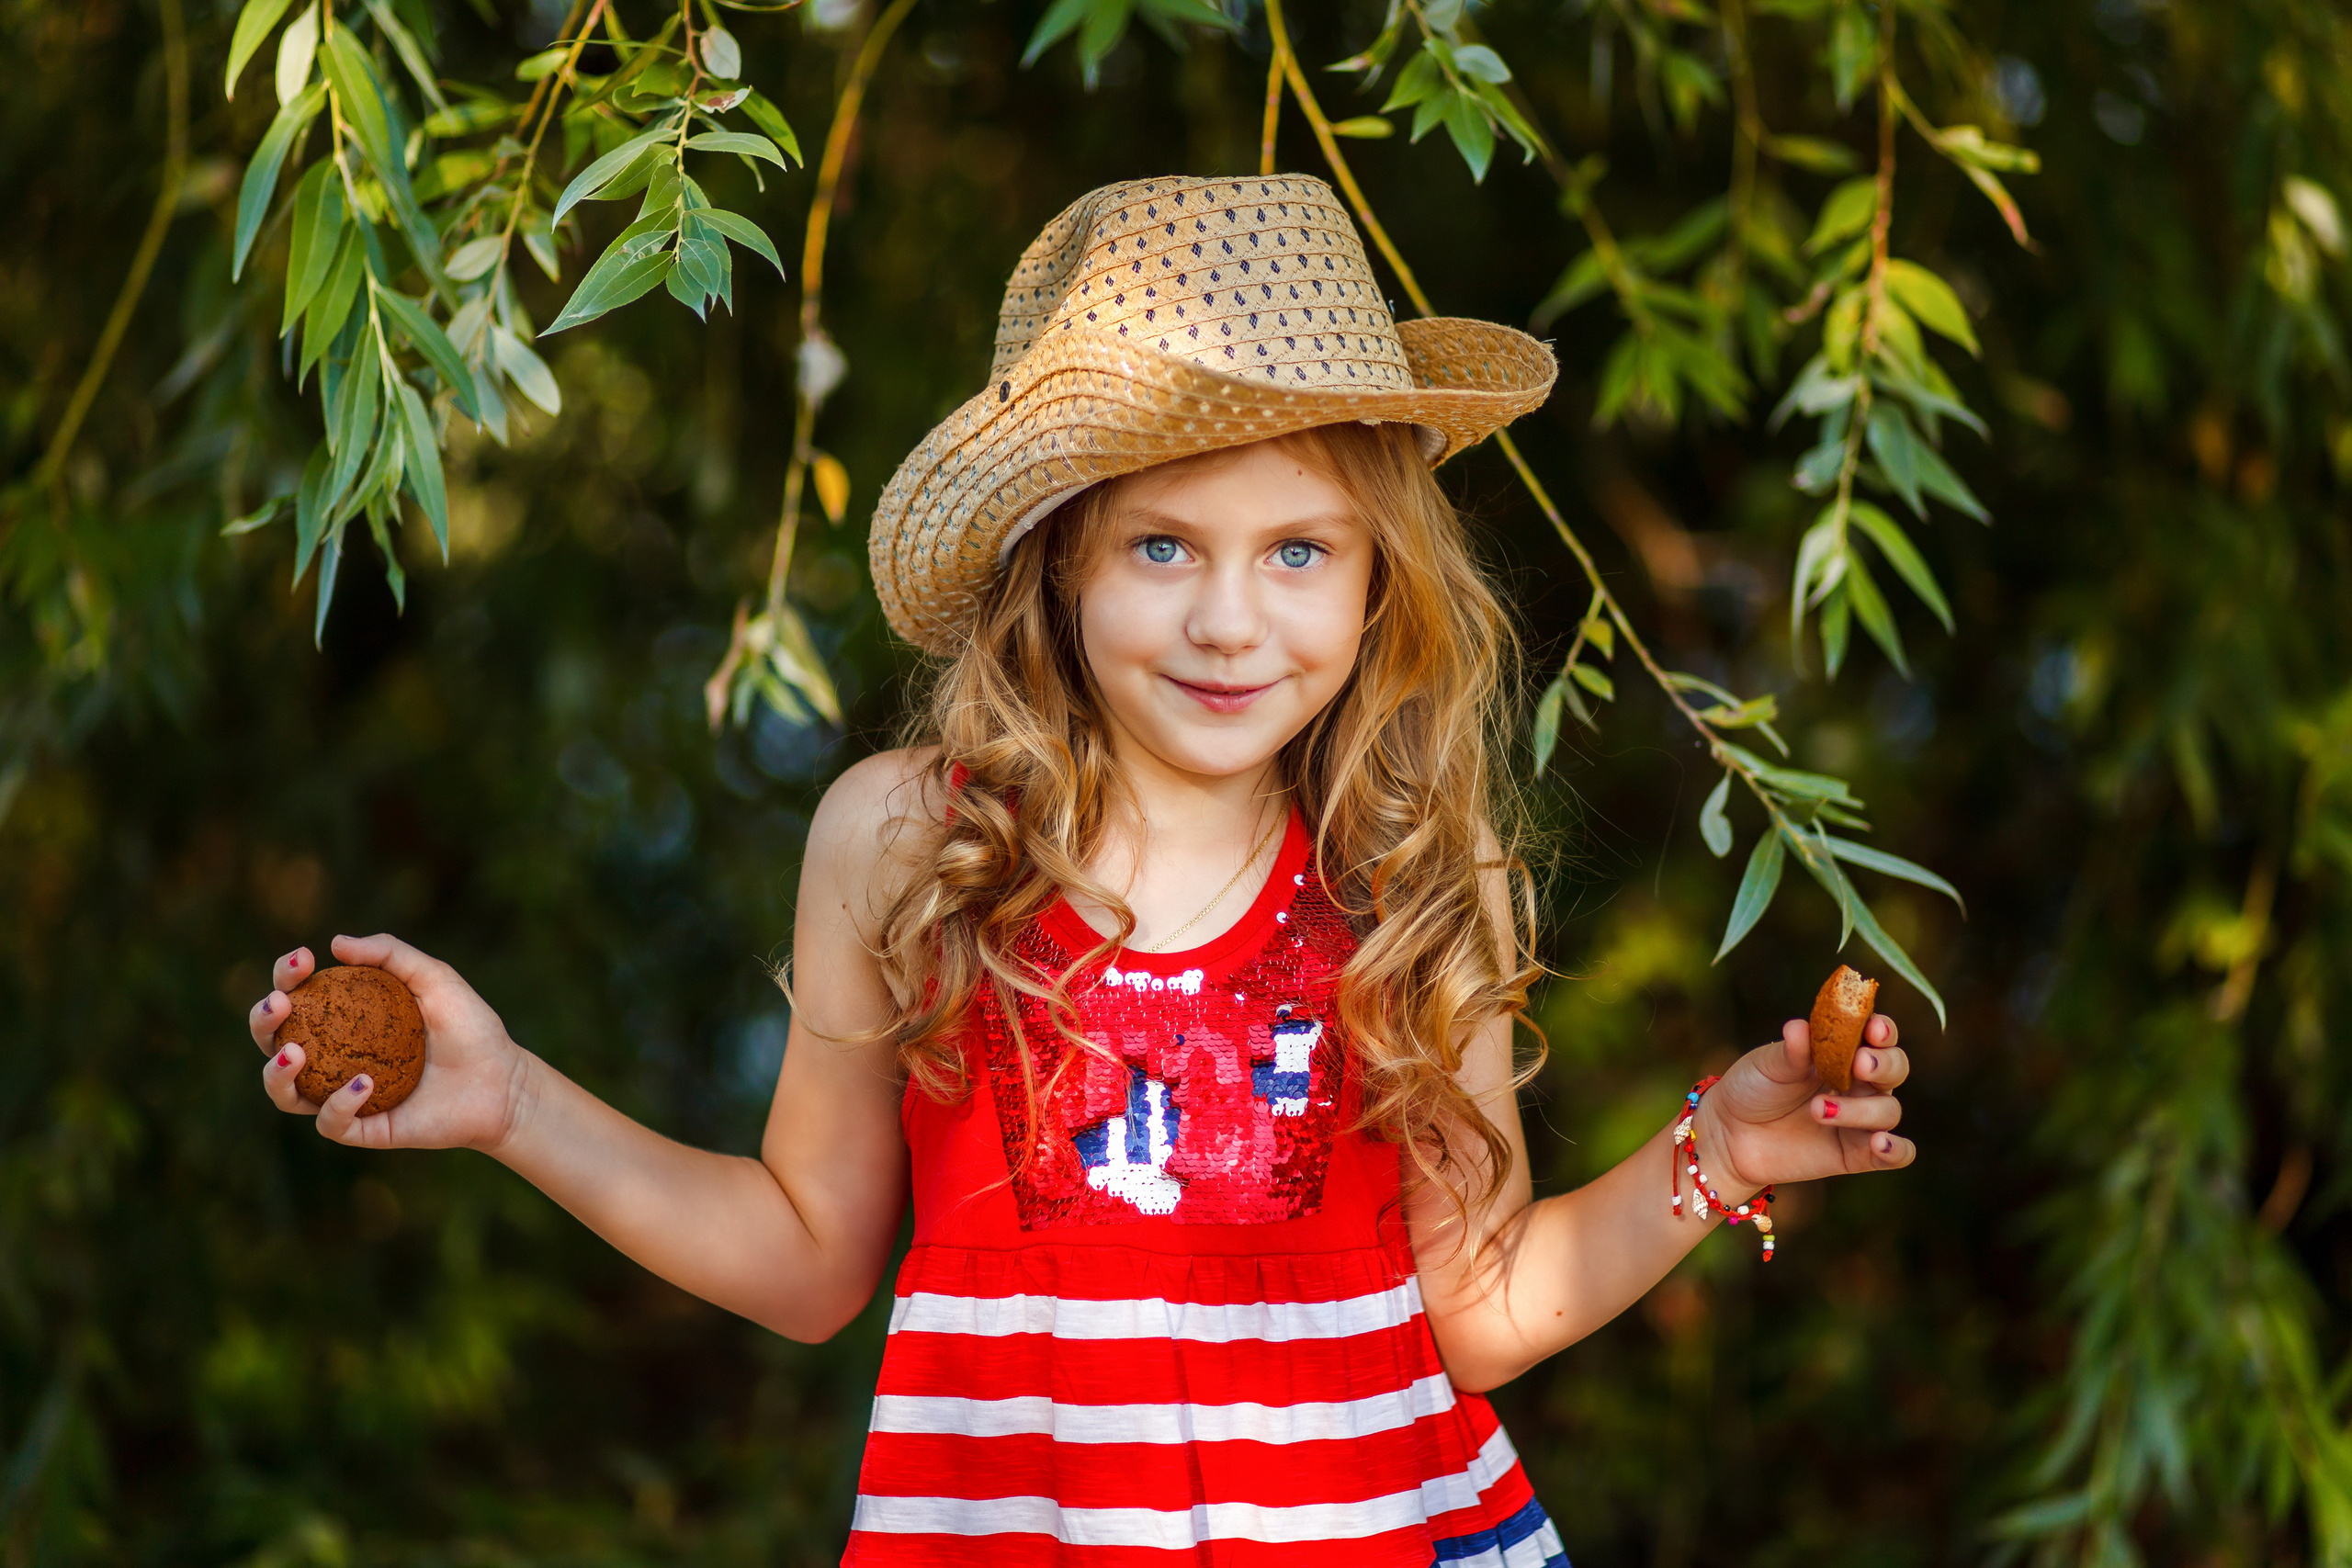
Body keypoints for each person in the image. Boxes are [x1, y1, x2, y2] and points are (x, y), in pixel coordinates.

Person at [247, 175, 1914, 1567]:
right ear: (1057, 569)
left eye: (1300, 553)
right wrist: (513, 1099)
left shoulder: (1414, 866)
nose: (1228, 619)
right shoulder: (911, 845)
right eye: (1164, 546)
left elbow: (1475, 1311)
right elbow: (814, 1257)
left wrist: (1720, 1153)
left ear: (1377, 584)